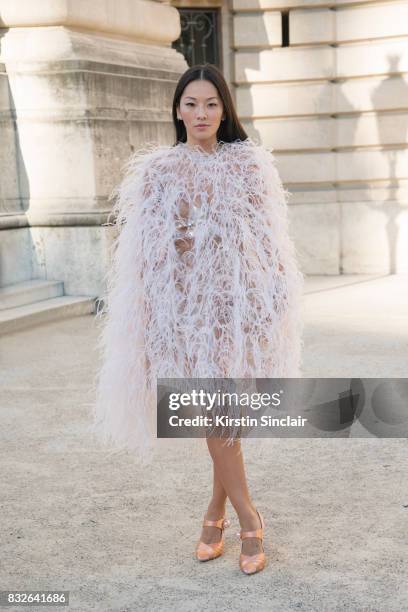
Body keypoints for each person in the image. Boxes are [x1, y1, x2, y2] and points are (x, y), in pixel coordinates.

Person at [91, 63, 304, 575]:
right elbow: (144, 250)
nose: (201, 113)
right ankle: (248, 518)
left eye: (211, 104)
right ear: (177, 110)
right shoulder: (159, 170)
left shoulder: (249, 164)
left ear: (225, 108)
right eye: (191, 104)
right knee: (216, 412)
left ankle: (216, 513)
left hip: (240, 305)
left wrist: (273, 298)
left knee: (223, 413)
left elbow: (270, 238)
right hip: (183, 310)